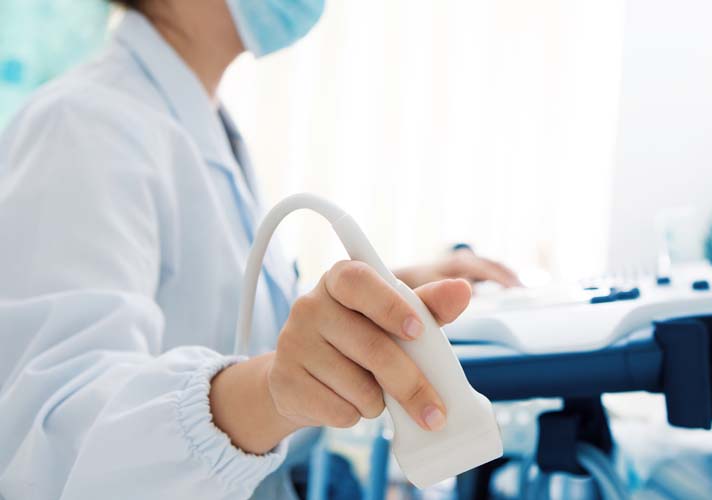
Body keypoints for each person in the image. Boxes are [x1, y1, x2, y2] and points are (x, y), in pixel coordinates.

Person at [0, 0, 520, 498]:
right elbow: (52, 444)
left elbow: (249, 334)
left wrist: (384, 296)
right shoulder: (81, 125)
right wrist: (272, 391)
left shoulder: (203, 128)